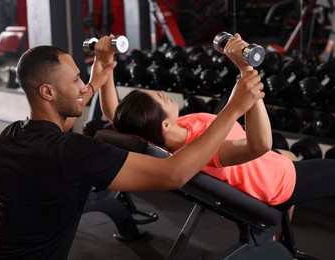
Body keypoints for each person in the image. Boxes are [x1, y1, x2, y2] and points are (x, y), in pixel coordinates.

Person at [0, 35, 264, 259]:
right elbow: (172, 174)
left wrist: (96, 81)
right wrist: (234, 108)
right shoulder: (72, 152)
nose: (82, 87)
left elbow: (55, 121)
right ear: (47, 91)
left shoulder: (12, 134)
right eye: (76, 81)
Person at [102, 34, 335, 209]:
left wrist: (105, 65)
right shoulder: (204, 149)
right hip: (279, 183)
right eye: (160, 97)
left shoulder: (167, 135)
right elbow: (260, 145)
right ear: (164, 124)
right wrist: (246, 70)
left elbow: (116, 113)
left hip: (264, 166)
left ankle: (280, 239)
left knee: (290, 156)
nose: (163, 92)